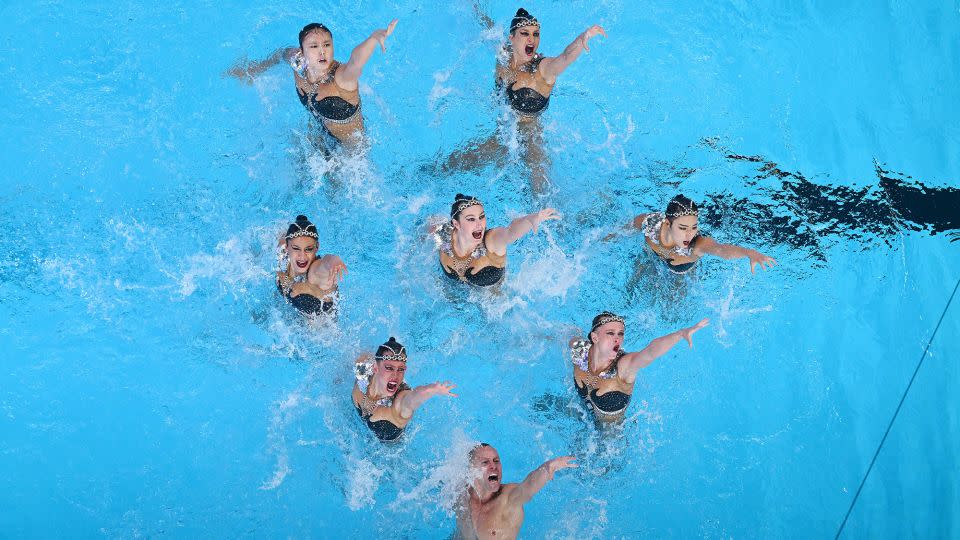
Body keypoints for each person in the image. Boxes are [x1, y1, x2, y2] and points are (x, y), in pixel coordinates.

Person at [443, 7, 606, 192]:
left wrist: (581, 39)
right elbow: (489, 28)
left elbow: (565, 58)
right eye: (525, 33)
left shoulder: (542, 70)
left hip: (531, 139)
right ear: (512, 38)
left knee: (541, 196)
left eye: (536, 34)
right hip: (505, 134)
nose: (532, 40)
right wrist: (474, 7)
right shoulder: (504, 54)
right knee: (452, 164)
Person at [226, 20, 398, 145]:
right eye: (314, 47)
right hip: (318, 133)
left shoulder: (342, 78)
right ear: (302, 51)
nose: (322, 52)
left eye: (327, 45)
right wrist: (252, 72)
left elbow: (356, 61)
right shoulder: (297, 61)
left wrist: (373, 38)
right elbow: (280, 54)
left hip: (350, 151)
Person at [569, 312, 709, 421]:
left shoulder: (624, 366)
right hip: (578, 412)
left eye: (621, 334)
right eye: (610, 333)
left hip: (609, 436)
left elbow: (650, 353)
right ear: (594, 338)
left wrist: (680, 333)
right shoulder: (579, 350)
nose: (617, 338)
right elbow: (562, 333)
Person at [625, 194, 777, 274]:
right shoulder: (650, 224)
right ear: (667, 224)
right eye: (683, 228)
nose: (689, 234)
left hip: (681, 272)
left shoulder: (697, 244)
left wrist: (748, 252)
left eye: (694, 227)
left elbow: (721, 250)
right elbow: (621, 231)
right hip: (652, 257)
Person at [434, 194, 559, 287]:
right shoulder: (444, 234)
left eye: (481, 217)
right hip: (453, 293)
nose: (479, 224)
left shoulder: (491, 241)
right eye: (471, 219)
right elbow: (428, 225)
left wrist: (532, 219)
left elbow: (510, 232)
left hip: (493, 302)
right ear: (456, 224)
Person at [456, 443, 576, 539]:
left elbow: (528, 487)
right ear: (472, 470)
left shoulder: (508, 497)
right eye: (485, 462)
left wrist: (548, 467)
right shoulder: (461, 494)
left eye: (496, 460)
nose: (493, 466)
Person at [351, 337, 457, 442]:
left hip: (388, 449)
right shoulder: (364, 373)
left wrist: (432, 390)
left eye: (400, 369)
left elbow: (413, 398)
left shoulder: (398, 403)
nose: (396, 375)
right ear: (375, 368)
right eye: (389, 368)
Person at [276, 215, 346, 315]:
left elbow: (325, 264)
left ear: (316, 247)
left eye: (308, 249)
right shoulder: (283, 254)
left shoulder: (315, 272)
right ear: (287, 247)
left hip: (319, 325)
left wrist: (333, 260)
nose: (302, 256)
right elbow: (281, 236)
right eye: (296, 248)